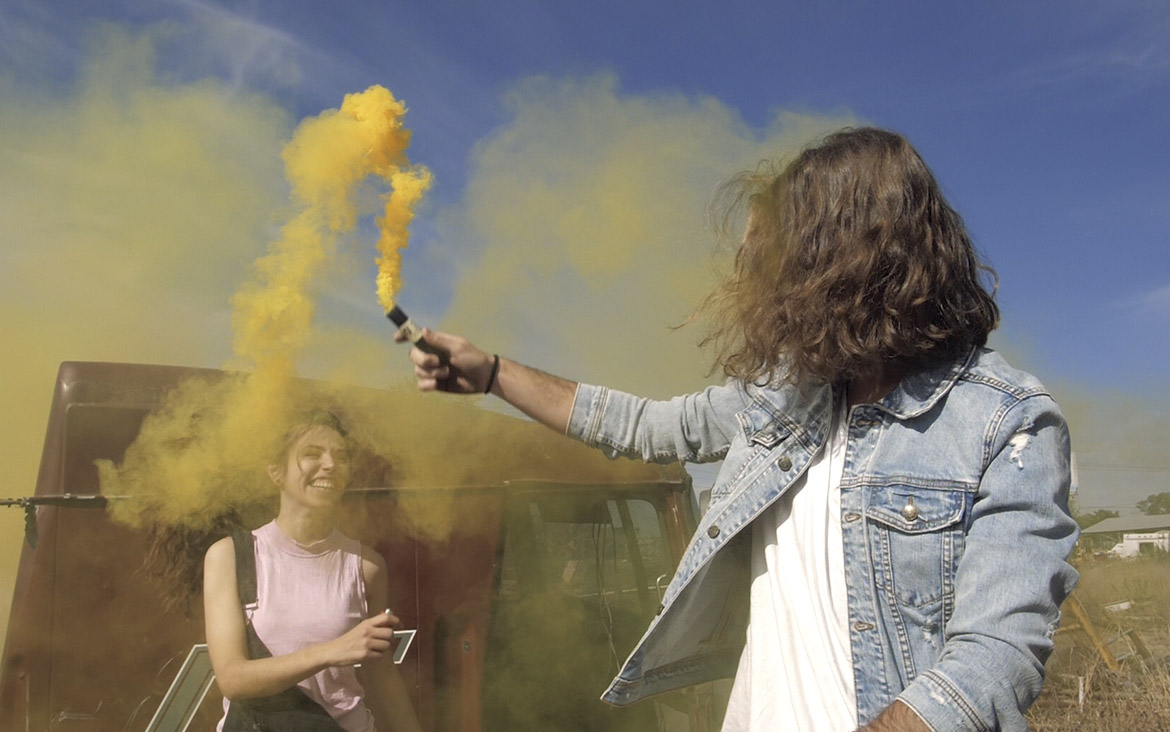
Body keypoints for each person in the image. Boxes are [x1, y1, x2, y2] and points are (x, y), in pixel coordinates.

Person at [399, 127, 1079, 731]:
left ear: (844, 255)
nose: (748, 280)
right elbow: (645, 427)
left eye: (769, 257)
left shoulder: (1007, 422)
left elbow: (995, 658)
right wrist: (492, 374)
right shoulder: (790, 399)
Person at [202, 410, 423, 732]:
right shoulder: (230, 556)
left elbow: (383, 679)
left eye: (341, 456)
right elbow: (233, 680)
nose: (330, 464)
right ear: (276, 472)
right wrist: (332, 651)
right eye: (312, 454)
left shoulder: (366, 565)